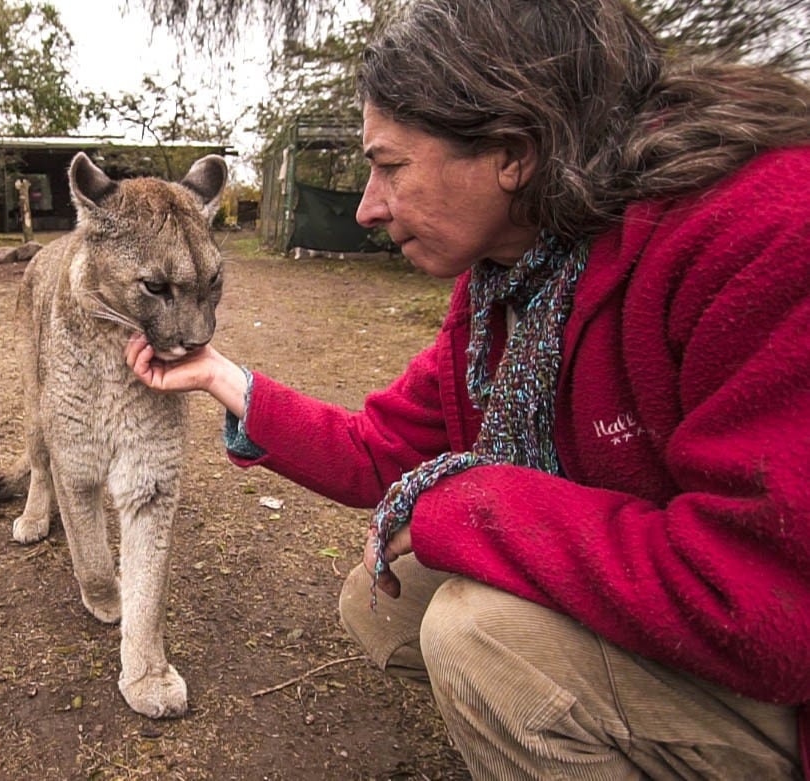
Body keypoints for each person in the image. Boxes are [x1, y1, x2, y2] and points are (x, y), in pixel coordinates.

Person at [124, 0, 810, 777]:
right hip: (675, 599)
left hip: (780, 668)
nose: (366, 207)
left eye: (390, 166)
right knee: (383, 603)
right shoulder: (514, 278)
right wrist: (220, 376)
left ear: (511, 152)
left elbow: (766, 605)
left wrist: (477, 508)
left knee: (477, 636)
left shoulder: (763, 233)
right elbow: (379, 447)